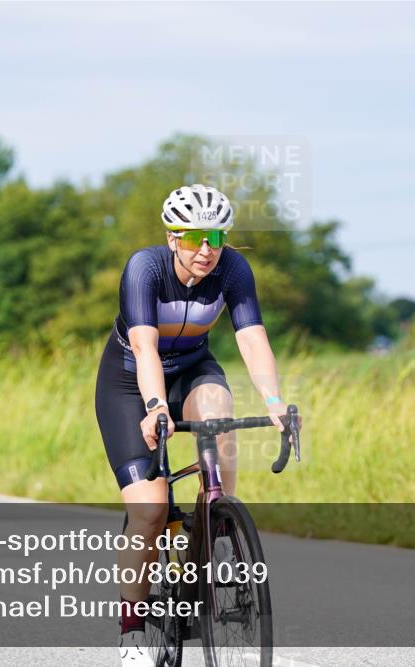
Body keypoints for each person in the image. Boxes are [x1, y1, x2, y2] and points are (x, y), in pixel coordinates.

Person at [95, 184, 299, 665]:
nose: (205, 249)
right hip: (129, 384)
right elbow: (145, 348)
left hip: (192, 369)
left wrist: (273, 400)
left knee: (218, 419)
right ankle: (132, 629)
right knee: (148, 511)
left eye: (214, 236)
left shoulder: (232, 268)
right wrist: (155, 406)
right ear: (172, 238)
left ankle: (215, 528)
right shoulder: (144, 269)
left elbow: (251, 338)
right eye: (192, 238)